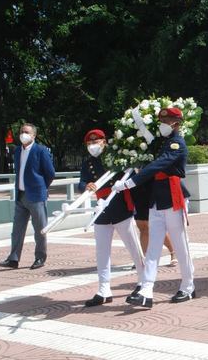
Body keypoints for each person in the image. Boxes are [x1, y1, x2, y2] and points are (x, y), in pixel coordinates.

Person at [113, 107, 195, 308]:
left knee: (180, 245)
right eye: (161, 121)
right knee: (153, 247)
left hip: (173, 197)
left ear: (175, 123)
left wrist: (130, 183)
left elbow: (158, 165)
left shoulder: (177, 144)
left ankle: (188, 285)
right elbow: (149, 147)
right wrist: (138, 121)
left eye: (166, 122)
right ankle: (147, 289)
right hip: (157, 198)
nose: (162, 125)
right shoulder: (164, 143)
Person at [78, 129, 145, 307]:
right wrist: (86, 186)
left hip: (120, 205)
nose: (93, 145)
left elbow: (131, 175)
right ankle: (104, 289)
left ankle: (143, 282)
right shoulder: (88, 163)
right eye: (90, 143)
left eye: (97, 141)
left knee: (134, 248)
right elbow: (81, 182)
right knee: (102, 251)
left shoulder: (117, 157)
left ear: (104, 142)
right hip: (101, 208)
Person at [0, 123, 55, 270]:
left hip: (36, 196)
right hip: (21, 195)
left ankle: (40, 258)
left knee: (40, 229)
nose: (23, 134)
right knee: (17, 230)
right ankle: (13, 259)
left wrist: (42, 188)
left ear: (34, 135)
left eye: (27, 132)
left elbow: (50, 173)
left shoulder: (40, 150)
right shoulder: (17, 151)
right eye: (22, 131)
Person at [131, 179, 180, 267]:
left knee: (155, 228)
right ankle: (144, 257)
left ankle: (173, 252)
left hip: (150, 190)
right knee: (142, 227)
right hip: (135, 190)